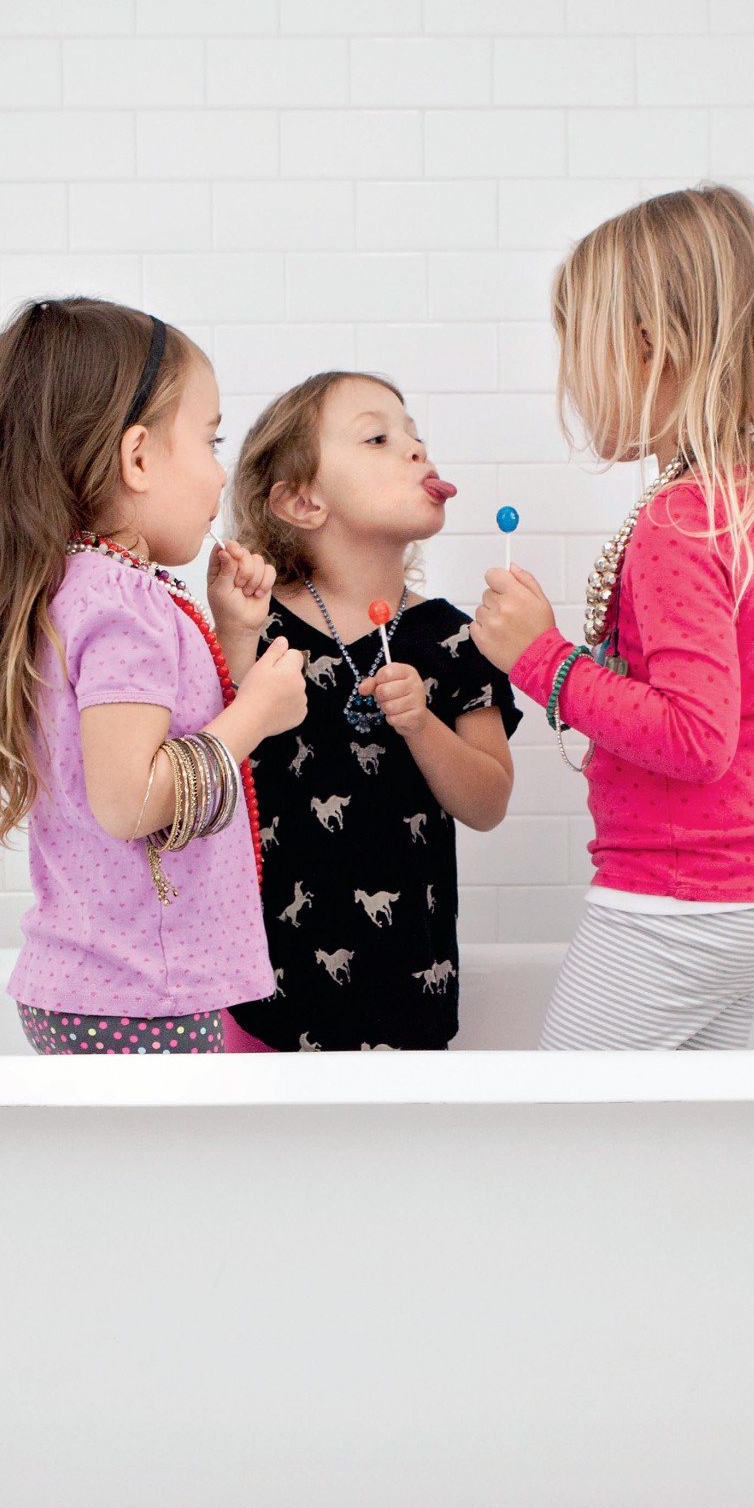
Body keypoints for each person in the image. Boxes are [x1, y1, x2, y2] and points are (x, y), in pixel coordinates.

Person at [473, 185, 754, 1051]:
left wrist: (542, 658)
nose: (571, 379)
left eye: (578, 346)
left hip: (677, 901)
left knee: (562, 1118)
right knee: (682, 1125)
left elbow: (695, 737)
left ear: (648, 346)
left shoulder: (679, 520)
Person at [0, 296, 306, 1053]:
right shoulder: (123, 602)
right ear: (138, 458)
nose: (220, 473)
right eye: (210, 441)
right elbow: (130, 798)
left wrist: (233, 638)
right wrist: (259, 711)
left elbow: (163, 739)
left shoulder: (80, 588)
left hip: (105, 985)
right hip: (140, 993)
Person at [223, 372, 518, 1051]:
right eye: (377, 438)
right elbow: (213, 772)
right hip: (262, 1000)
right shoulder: (254, 628)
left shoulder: (456, 639)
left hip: (408, 996)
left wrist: (421, 724)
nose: (416, 449)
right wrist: (235, 638)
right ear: (301, 501)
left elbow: (488, 804)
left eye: (414, 434)